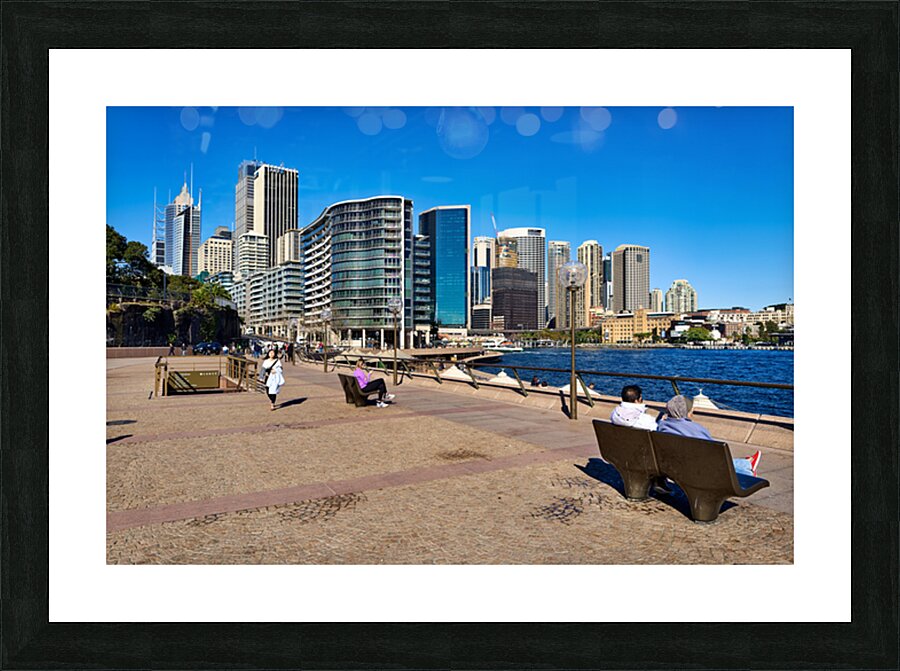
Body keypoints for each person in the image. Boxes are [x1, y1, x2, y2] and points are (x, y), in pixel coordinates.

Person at [657, 395, 761, 476]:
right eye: (691, 409)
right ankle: (747, 465)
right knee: (719, 462)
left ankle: (747, 463)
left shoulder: (662, 426)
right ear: (685, 412)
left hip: (675, 468)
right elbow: (714, 453)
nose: (692, 411)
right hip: (697, 471)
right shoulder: (695, 429)